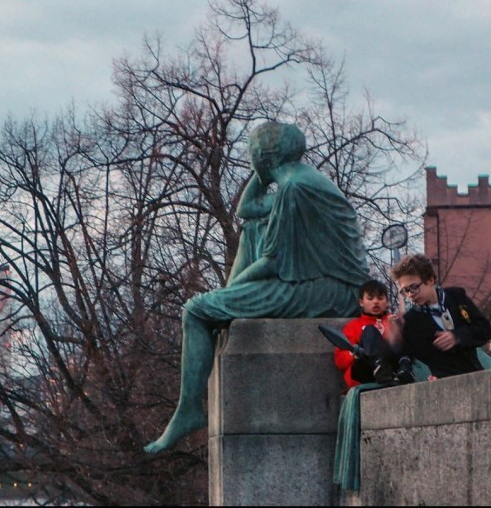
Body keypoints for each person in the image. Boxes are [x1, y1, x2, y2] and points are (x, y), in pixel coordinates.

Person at [145, 121, 370, 454]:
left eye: (252, 151)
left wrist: (227, 293)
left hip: (328, 290)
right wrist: (264, 173)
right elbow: (247, 211)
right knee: (252, 230)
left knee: (196, 310)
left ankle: (189, 409)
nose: (249, 157)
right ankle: (191, 401)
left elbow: (273, 262)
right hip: (324, 281)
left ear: (262, 155)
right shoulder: (298, 180)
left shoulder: (296, 189)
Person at [388, 254, 491, 379]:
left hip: (475, 376)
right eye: (405, 290)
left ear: (430, 280)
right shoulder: (411, 320)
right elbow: (404, 355)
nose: (410, 295)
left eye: (414, 287)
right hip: (443, 384)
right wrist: (395, 339)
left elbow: (484, 329)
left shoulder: (456, 297)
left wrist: (457, 336)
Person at [334, 279, 415, 388]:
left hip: (393, 367)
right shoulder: (353, 326)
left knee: (404, 328)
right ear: (361, 302)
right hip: (366, 370)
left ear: (386, 302)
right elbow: (340, 361)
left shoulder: (392, 320)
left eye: (380, 298)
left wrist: (396, 333)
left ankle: (405, 368)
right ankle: (380, 367)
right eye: (370, 298)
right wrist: (355, 352)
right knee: (369, 330)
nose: (376, 302)